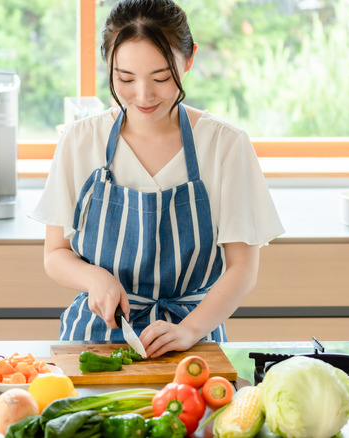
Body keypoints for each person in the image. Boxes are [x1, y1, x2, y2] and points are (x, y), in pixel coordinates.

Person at [30, 0, 284, 358]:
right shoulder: (80, 140)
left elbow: (242, 269)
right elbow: (55, 254)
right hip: (97, 337)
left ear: (190, 60)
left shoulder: (224, 145)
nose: (144, 96)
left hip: (194, 338)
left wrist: (189, 330)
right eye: (125, 79)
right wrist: (95, 279)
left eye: (162, 78)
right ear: (108, 65)